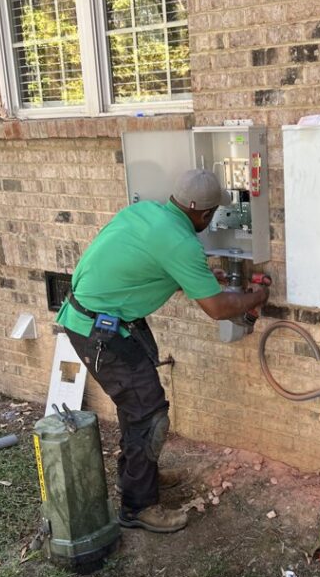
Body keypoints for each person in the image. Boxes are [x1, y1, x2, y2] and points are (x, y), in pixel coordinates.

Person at [56, 168, 269, 533]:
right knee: (149, 414)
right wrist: (257, 296)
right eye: (212, 214)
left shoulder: (143, 212)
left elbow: (146, 265)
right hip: (101, 333)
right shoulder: (181, 243)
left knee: (135, 408)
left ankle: (137, 478)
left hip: (91, 319)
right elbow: (218, 308)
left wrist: (198, 278)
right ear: (204, 213)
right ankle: (138, 507)